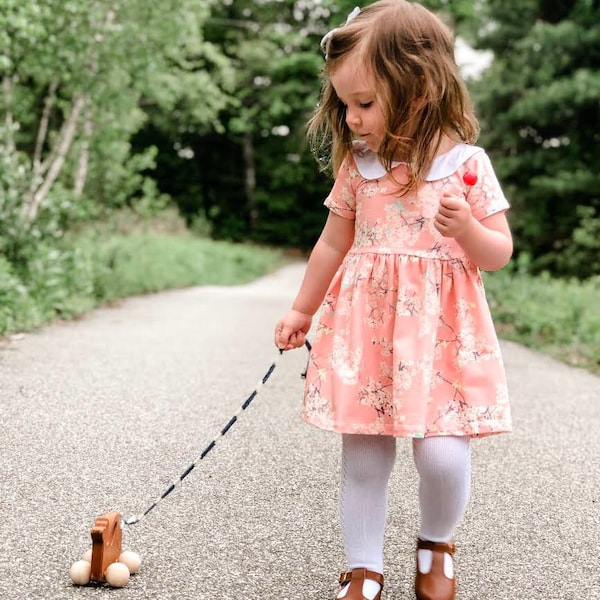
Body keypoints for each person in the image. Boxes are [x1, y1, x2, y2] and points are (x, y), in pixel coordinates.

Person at [274, 2, 513, 599]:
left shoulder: (466, 167)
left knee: (441, 457)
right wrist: (302, 308)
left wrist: (465, 231)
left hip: (441, 338)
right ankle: (363, 568)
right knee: (365, 454)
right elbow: (333, 243)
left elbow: (498, 252)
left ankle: (436, 544)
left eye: (365, 104)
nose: (352, 119)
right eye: (345, 105)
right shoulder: (360, 168)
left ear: (421, 88)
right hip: (366, 331)